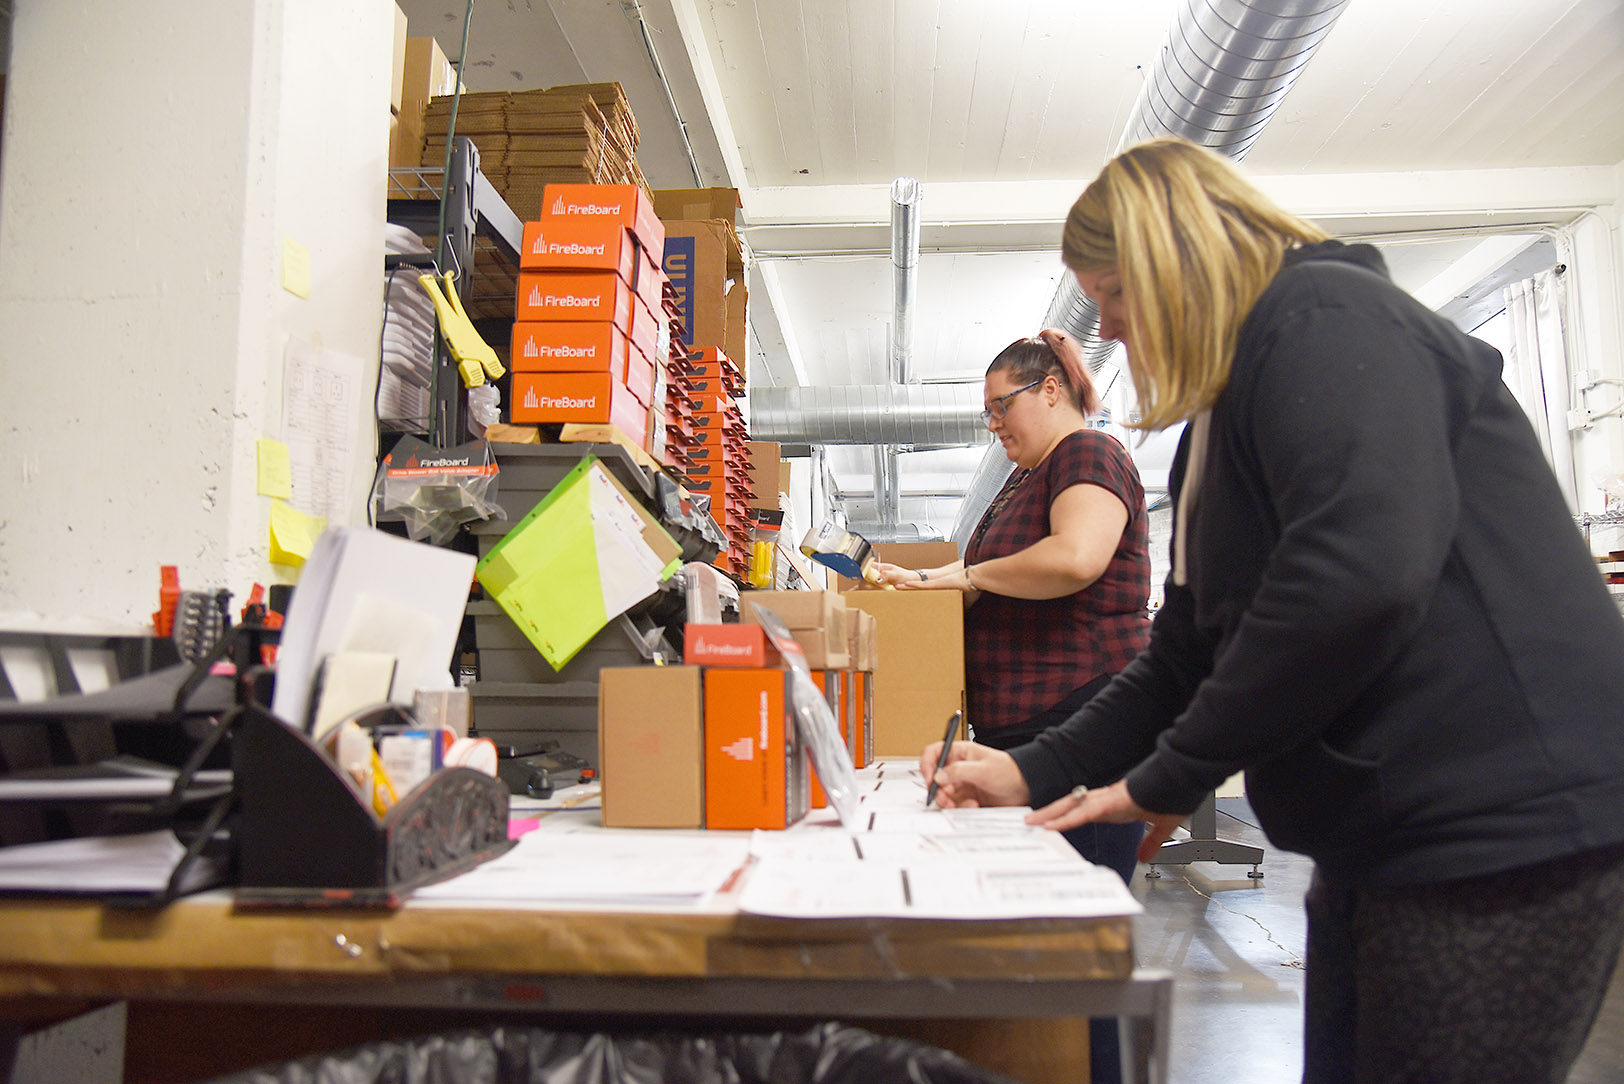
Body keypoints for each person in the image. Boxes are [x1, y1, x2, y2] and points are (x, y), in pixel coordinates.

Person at [921, 138, 1624, 1084]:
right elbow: (1180, 658)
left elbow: (1356, 581)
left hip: (1496, 825)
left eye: (1114, 293)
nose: (1109, 329)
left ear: (1175, 259)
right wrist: (1027, 769)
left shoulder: (1328, 318)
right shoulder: (1225, 415)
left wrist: (1166, 777)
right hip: (1384, 831)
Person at [872, 329, 1153, 1084]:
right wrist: (932, 582)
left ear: (1052, 391)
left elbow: (1075, 558)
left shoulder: (1088, 455)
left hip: (1082, 721)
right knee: (1048, 943)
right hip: (1038, 728)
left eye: (1003, 406)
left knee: (1077, 941)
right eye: (987, 413)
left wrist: (970, 579)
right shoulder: (1027, 475)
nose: (994, 424)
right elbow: (985, 573)